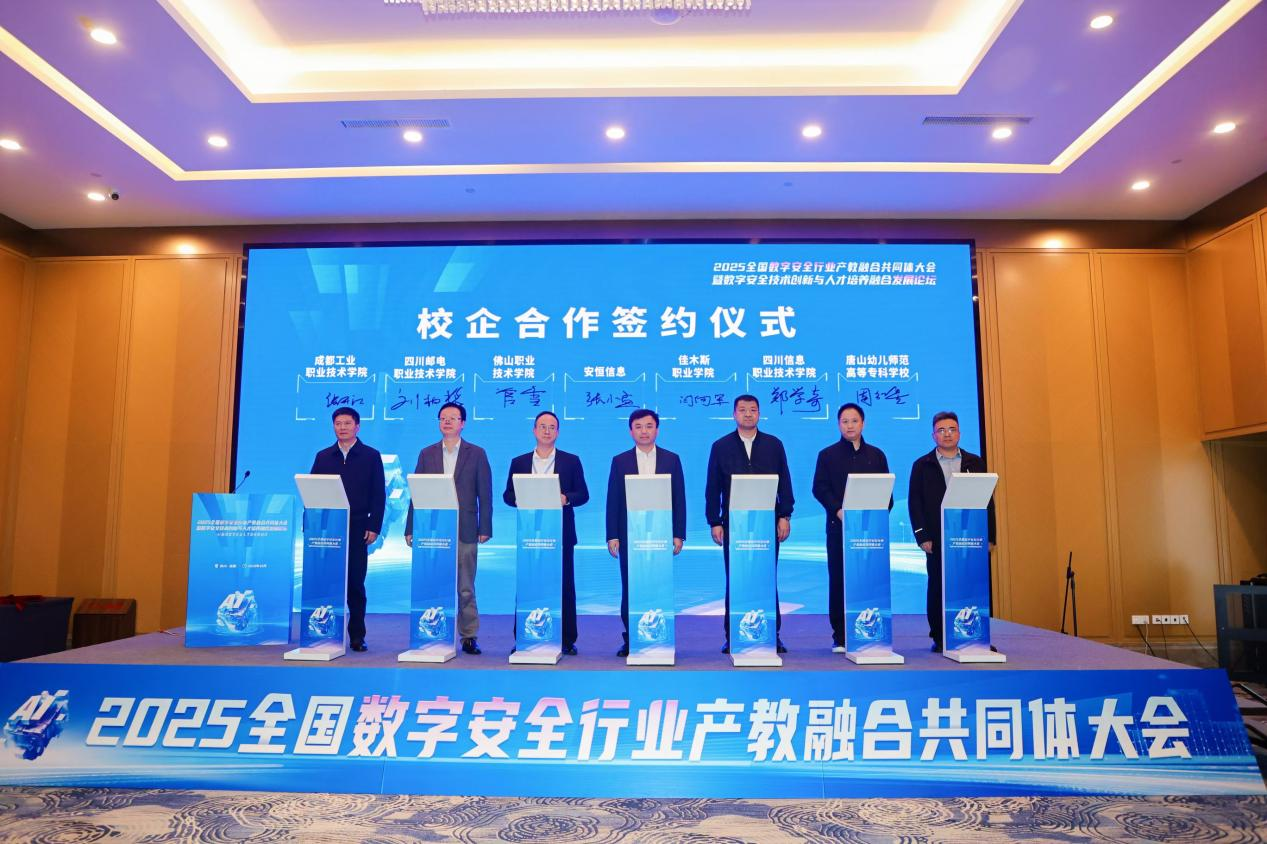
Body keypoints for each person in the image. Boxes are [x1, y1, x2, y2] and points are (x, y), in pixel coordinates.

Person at [704, 394, 794, 654]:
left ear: (759, 413)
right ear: (734, 414)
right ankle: (733, 634)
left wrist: (785, 515)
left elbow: (785, 482)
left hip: (767, 522)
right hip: (734, 524)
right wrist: (714, 521)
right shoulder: (720, 446)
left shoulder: (774, 444)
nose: (747, 414)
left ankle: (772, 634)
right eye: (742, 410)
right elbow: (713, 487)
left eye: (752, 410)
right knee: (736, 578)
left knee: (766, 577)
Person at [405, 401, 492, 655]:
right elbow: (416, 493)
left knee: (465, 587)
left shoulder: (477, 453)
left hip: (466, 528)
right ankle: (434, 633)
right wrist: (411, 527)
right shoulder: (426, 453)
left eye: (453, 418)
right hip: (433, 531)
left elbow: (485, 494)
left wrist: (485, 527)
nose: (447, 421)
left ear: (462, 423)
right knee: (434, 585)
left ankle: (469, 635)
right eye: (443, 418)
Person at [907, 410, 996, 652]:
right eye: (941, 430)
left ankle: (975, 635)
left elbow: (988, 501)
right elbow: (915, 503)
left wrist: (990, 536)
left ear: (959, 433)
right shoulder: (922, 465)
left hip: (971, 536)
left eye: (952, 429)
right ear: (933, 435)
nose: (947, 434)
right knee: (938, 585)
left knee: (972, 585)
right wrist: (922, 535)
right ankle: (940, 636)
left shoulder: (974, 462)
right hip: (937, 537)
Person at [503, 410, 589, 655]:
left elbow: (583, 494)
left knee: (564, 585)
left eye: (552, 427)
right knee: (527, 584)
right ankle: (523, 636)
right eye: (542, 426)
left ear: (558, 432)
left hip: (561, 533)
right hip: (529, 534)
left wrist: (565, 498)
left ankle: (567, 639)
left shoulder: (571, 461)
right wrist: (519, 498)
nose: (547, 431)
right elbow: (507, 495)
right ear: (534, 430)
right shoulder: (519, 462)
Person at [605, 408, 686, 657]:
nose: (644, 431)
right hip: (630, 534)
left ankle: (660, 636)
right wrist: (612, 535)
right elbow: (613, 500)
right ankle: (632, 638)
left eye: (649, 426)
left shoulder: (672, 459)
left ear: (657, 430)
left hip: (661, 534)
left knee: (659, 584)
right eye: (638, 427)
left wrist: (678, 534)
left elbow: (679, 498)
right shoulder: (620, 461)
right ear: (631, 431)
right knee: (631, 586)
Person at [812, 402, 891, 653]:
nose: (850, 426)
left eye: (854, 421)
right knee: (839, 580)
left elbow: (887, 492)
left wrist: (877, 515)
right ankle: (841, 635)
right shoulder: (827, 455)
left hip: (871, 532)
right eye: (844, 421)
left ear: (863, 423)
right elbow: (819, 488)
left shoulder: (877, 455)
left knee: (870, 579)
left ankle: (873, 631)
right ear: (838, 425)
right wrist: (838, 510)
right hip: (839, 528)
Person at [309, 406, 385, 652]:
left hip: (357, 528)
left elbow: (379, 495)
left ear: (357, 427)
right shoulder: (323, 456)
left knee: (355, 584)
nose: (342, 427)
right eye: (338, 423)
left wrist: (374, 526)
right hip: (328, 531)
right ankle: (325, 632)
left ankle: (357, 636)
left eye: (347, 423)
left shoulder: (371, 456)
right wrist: (311, 526)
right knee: (325, 582)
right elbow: (312, 492)